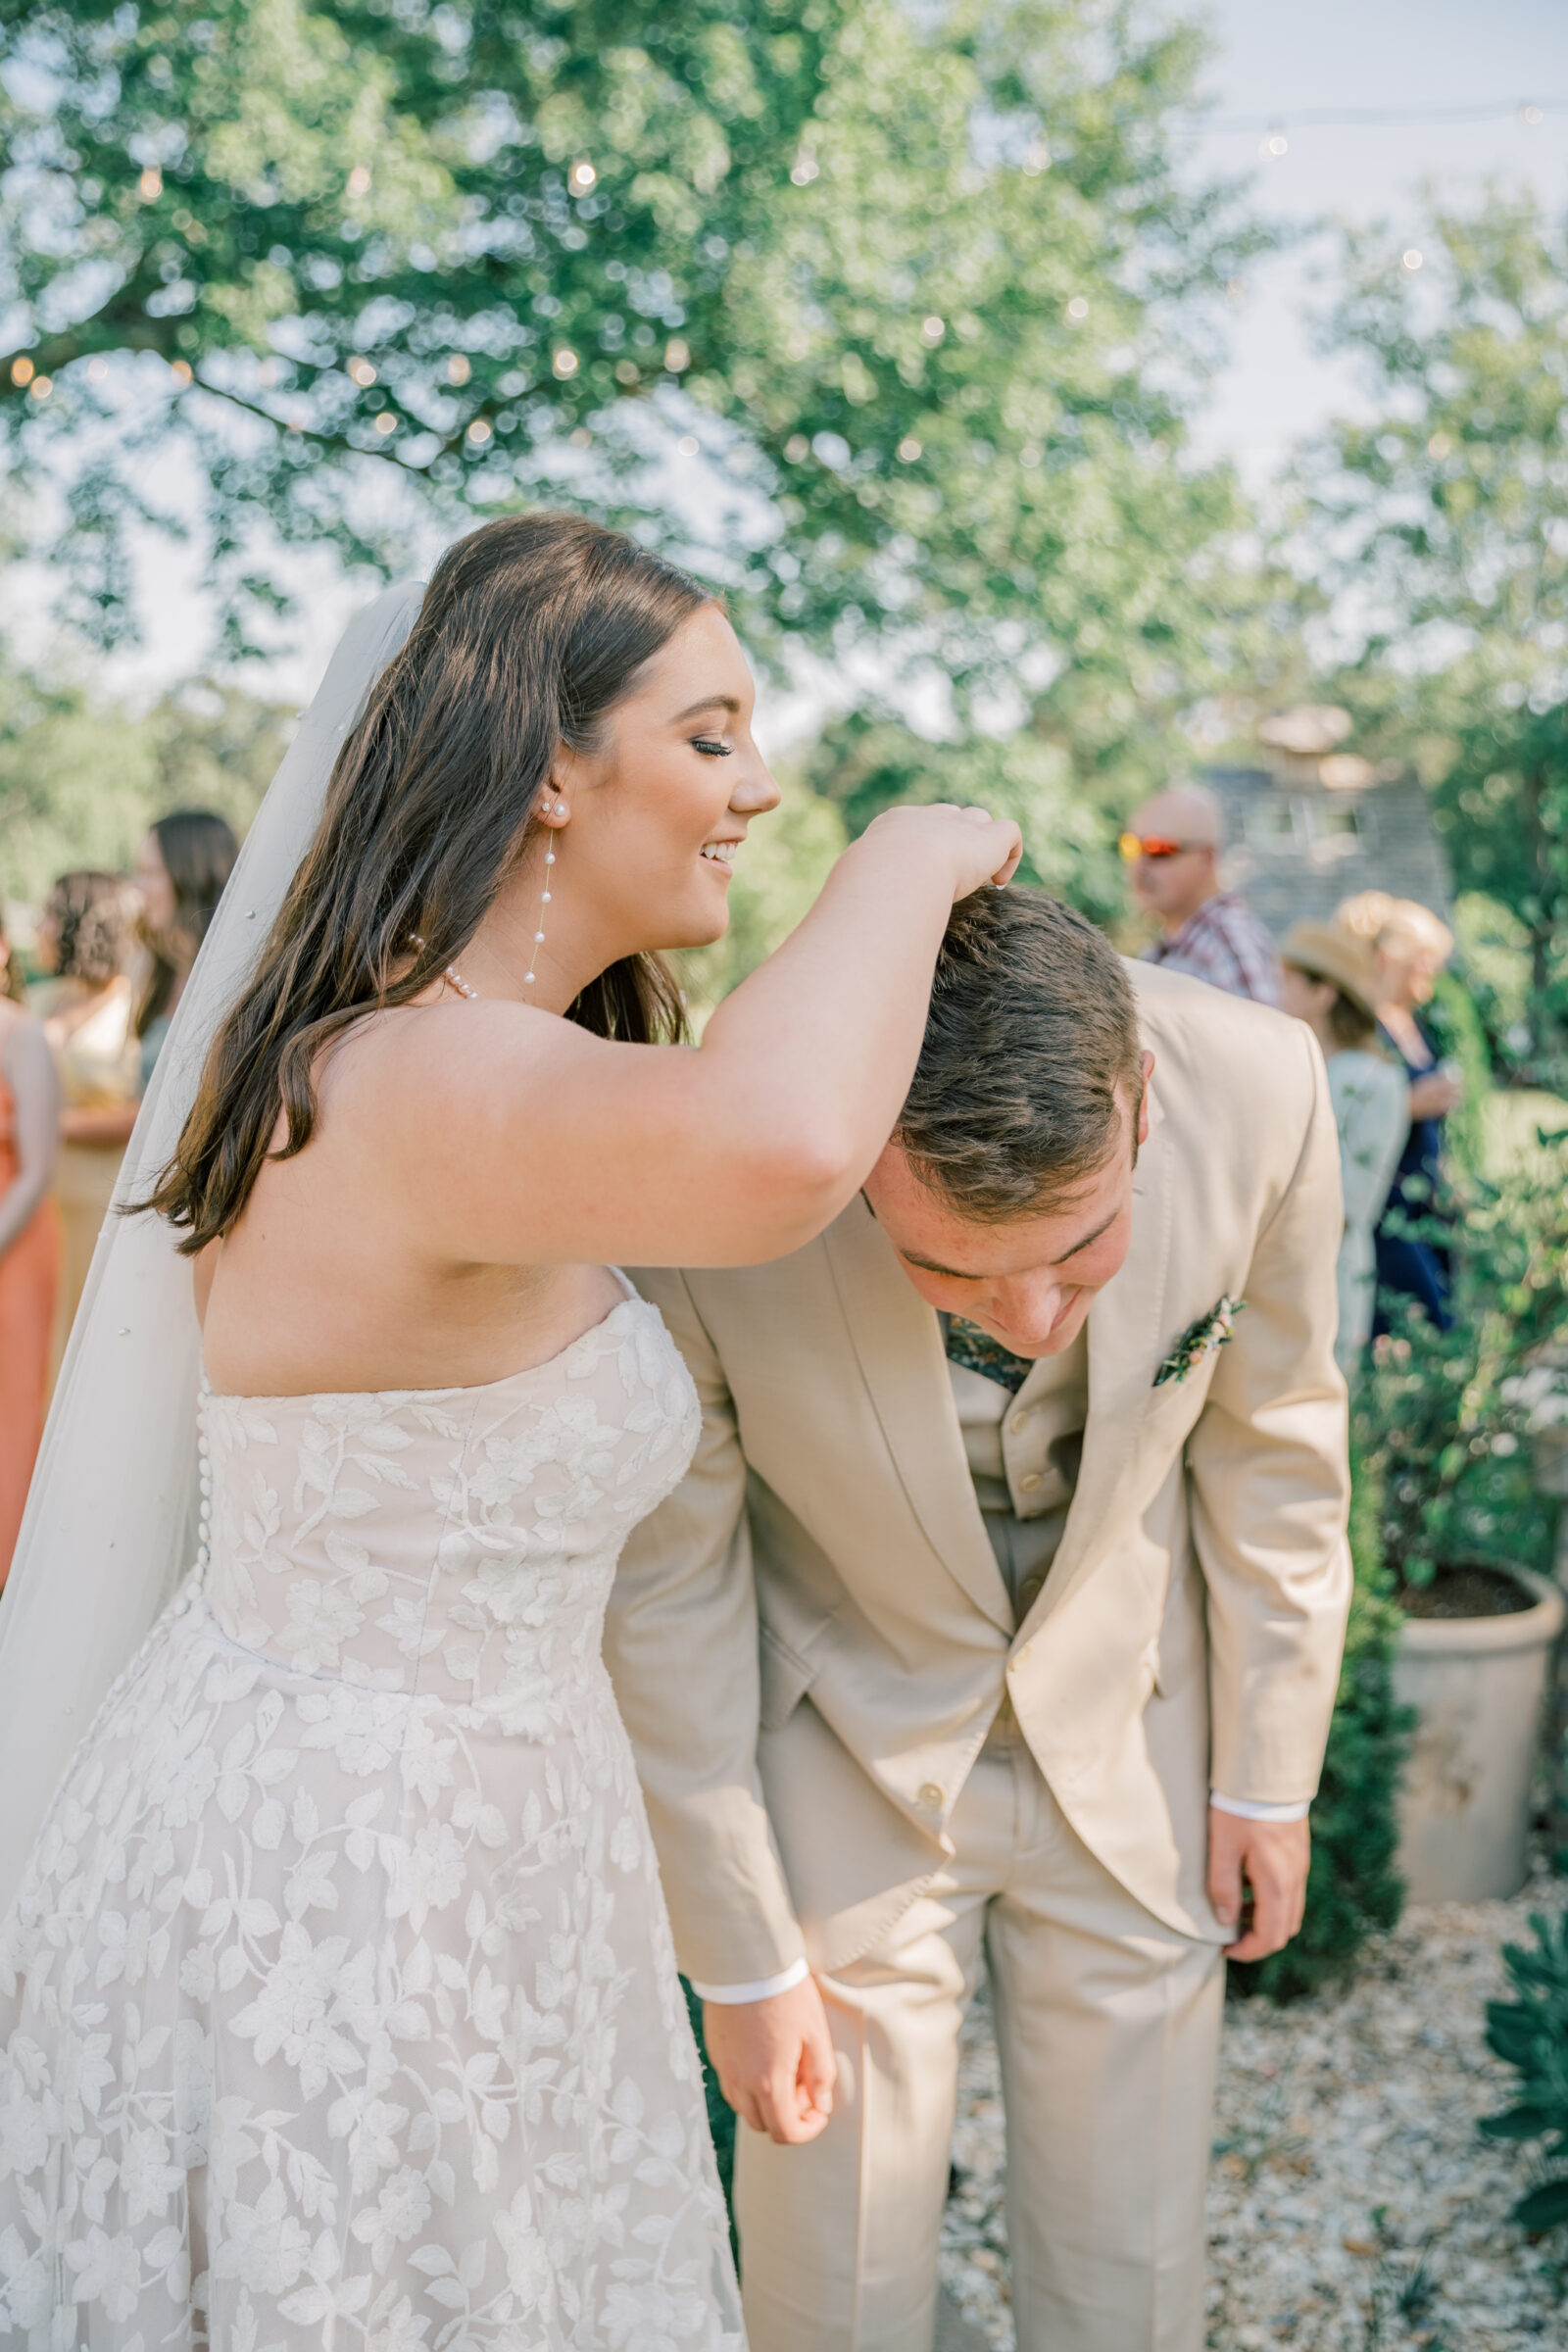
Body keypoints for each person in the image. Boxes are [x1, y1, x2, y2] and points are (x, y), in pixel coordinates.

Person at [0, 514, 1021, 2348]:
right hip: (356, 1882)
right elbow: (783, 1143)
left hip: (447, 1826)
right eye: (713, 735)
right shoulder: (429, 1071)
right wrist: (918, 853)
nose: (762, 788)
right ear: (553, 765)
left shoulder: (403, 1055)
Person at [609, 888, 1350, 2352]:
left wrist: (1269, 1769)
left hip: (1140, 1736)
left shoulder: (1261, 1088)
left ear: (1142, 1109)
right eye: (950, 1272)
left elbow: (1279, 1442)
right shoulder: (714, 1159)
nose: (1030, 1322)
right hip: (847, 1746)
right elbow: (670, 1580)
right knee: (834, 2283)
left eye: (1081, 1257)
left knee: (1130, 2266)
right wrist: (741, 1947)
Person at [1280, 919, 1408, 1382]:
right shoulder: (1290, 1065)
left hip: (1330, 1271)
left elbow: (1354, 1200)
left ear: (1324, 993)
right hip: (1277, 1269)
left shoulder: (1375, 1081)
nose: (1277, 994)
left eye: (1288, 982)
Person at [31, 867, 142, 1381]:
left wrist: (49, 1125)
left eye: (51, 916)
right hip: (38, 1200)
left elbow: (146, 1111)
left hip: (101, 1204)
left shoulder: (135, 1007)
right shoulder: (40, 1001)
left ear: (82, 924)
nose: (39, 927)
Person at [1338, 891, 1458, 1330]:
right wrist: (1410, 1103)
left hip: (1427, 1204)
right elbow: (1347, 1112)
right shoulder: (1365, 1027)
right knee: (1428, 1319)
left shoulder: (1418, 1026)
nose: (1432, 970)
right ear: (1390, 958)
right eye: (1423, 958)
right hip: (1387, 1206)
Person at [0, 911, 61, 1587]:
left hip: (13, 1241)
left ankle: (11, 1567)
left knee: (12, 1400)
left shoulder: (22, 1033)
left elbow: (40, 1166)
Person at [1124, 781, 1282, 1004]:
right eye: (1131, 847)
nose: (1139, 866)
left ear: (1207, 859)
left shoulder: (1228, 944)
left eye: (1158, 850)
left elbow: (1262, 1039)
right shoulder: (1172, 948)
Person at [133, 808, 242, 1088]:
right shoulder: (162, 970)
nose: (138, 886)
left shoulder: (238, 980)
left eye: (151, 873)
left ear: (192, 877)